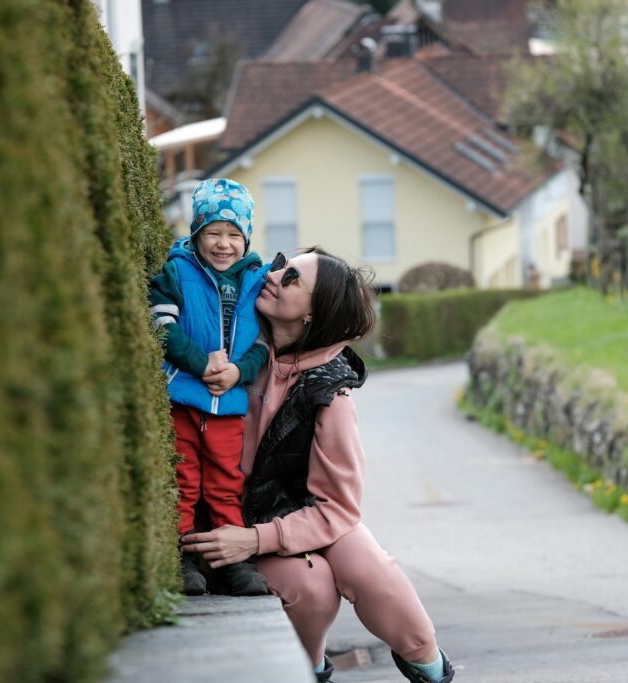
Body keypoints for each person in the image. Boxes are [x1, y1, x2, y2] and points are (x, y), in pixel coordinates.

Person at [182, 248, 455, 683]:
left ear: (312, 314)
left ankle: (431, 667)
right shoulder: (232, 342)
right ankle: (307, 670)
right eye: (279, 265)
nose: (273, 276)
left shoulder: (332, 395)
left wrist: (255, 540)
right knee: (312, 586)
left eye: (291, 278)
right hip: (230, 512)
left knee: (370, 571)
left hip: (295, 517)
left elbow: (339, 509)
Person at [148, 178, 271, 596]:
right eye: (213, 233)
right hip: (183, 396)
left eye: (234, 234)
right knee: (183, 480)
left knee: (225, 483)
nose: (224, 244)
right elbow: (160, 325)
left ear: (246, 237)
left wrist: (238, 372)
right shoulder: (176, 272)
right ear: (196, 233)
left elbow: (262, 345)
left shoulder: (258, 280)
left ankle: (231, 564)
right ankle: (182, 561)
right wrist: (200, 364)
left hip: (228, 403)